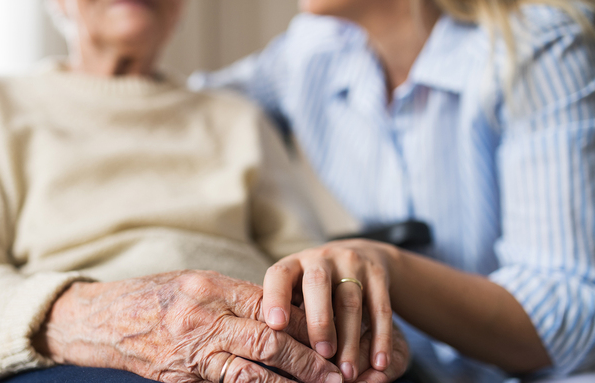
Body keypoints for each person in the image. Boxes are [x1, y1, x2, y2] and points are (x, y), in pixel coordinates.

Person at [0, 0, 412, 383]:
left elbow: (304, 261)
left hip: (253, 350)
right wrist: (109, 321)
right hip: (87, 356)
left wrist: (347, 329)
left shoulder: (237, 116)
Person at [187, 0, 595, 381]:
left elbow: (569, 316)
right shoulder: (314, 50)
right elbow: (183, 110)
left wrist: (385, 265)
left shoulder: (536, 46)